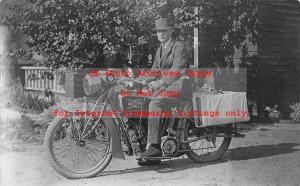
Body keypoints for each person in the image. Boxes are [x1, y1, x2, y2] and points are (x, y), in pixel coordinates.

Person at [137, 17, 192, 165]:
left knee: (155, 103)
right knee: (142, 100)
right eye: (158, 31)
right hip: (168, 87)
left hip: (180, 86)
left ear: (171, 31)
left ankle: (154, 147)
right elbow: (154, 71)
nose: (160, 33)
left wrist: (161, 82)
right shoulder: (160, 49)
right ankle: (150, 148)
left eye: (163, 30)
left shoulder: (178, 46)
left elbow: (177, 70)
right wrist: (141, 81)